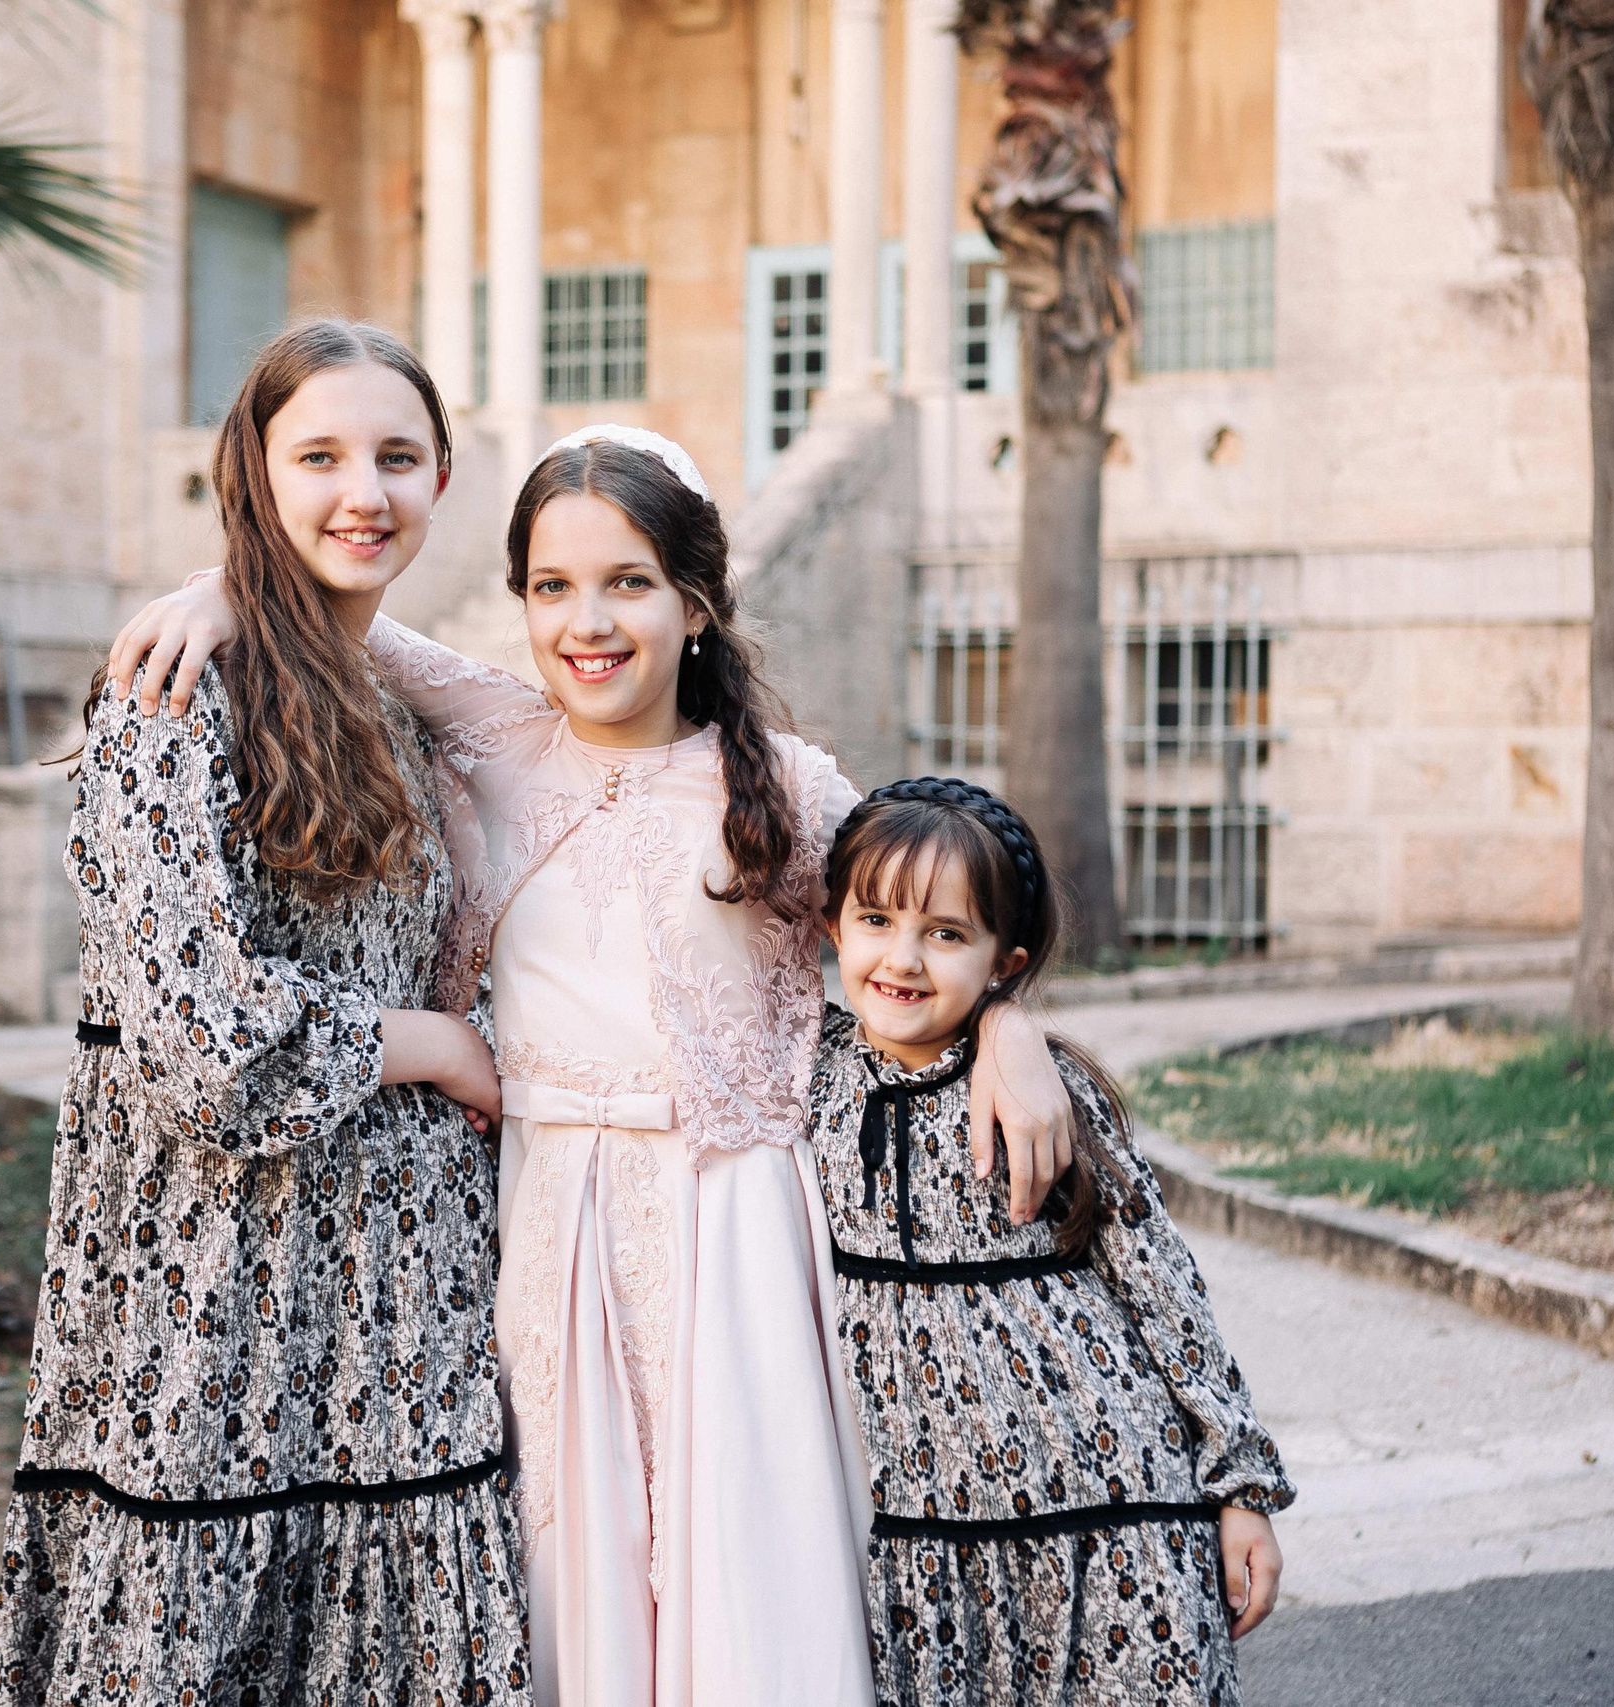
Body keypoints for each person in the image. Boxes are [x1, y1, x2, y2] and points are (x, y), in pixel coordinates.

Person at [104, 425, 1079, 1707]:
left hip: (735, 1236)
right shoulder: (500, 739)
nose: (588, 623)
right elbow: (344, 613)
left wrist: (1009, 1027)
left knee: (747, 1575)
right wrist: (224, 586)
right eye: (551, 588)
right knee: (573, 1578)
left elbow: (936, 919)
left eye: (626, 583)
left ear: (695, 601)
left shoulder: (776, 788)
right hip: (543, 1230)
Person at [0, 319, 530, 1705]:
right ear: (256, 471)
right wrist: (433, 1043)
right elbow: (209, 1044)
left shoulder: (409, 708)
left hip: (406, 1296)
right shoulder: (170, 696)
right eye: (323, 455)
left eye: (400, 456)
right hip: (221, 1292)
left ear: (445, 479)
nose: (367, 491)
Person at [809, 776, 1293, 1706]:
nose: (903, 958)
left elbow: (1162, 1285)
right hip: (922, 1541)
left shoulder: (1049, 1090)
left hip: (1111, 1507)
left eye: (946, 933)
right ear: (833, 929)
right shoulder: (806, 1071)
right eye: (876, 920)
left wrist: (1241, 1490)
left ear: (1004, 959)